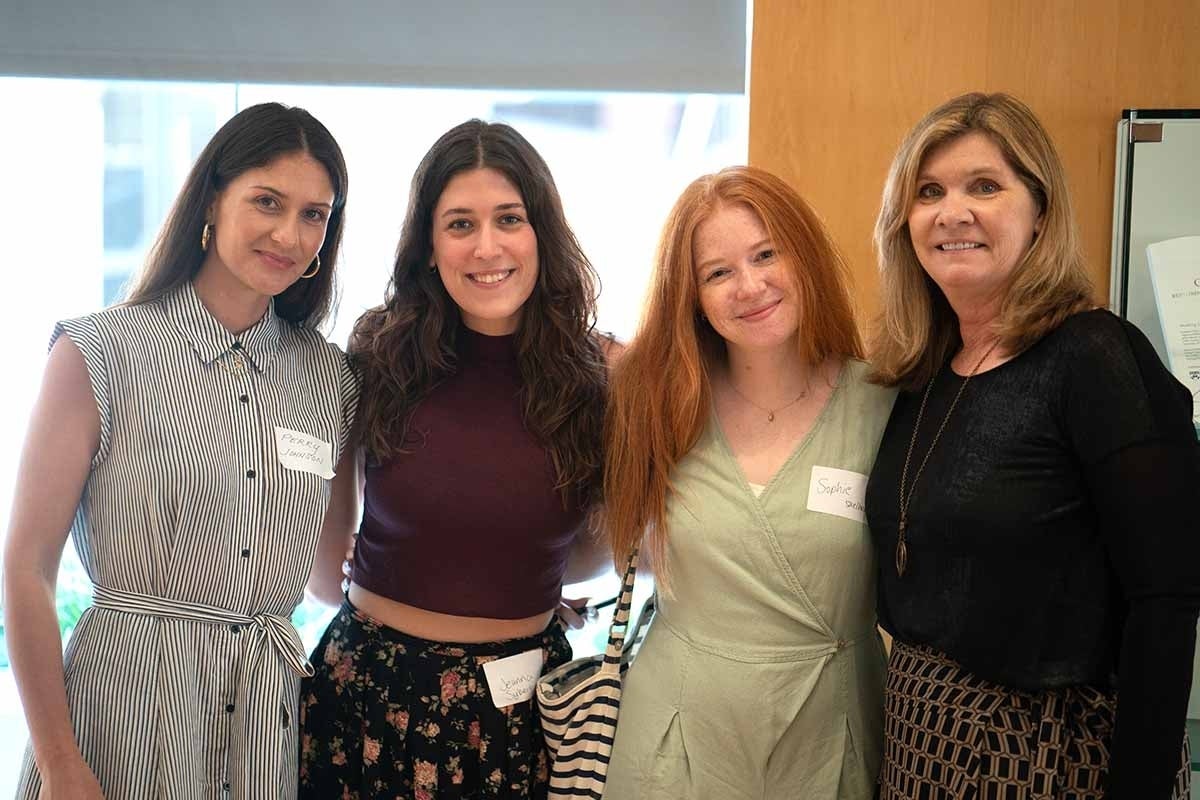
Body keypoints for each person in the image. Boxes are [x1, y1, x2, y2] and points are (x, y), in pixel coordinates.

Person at [3, 102, 357, 799]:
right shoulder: (100, 350)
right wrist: (60, 763)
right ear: (213, 198)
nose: (290, 233)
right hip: (115, 722)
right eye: (267, 201)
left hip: (264, 731)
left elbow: (330, 574)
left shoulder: (331, 377)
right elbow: (25, 568)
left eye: (315, 214)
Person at [865, 92, 1200, 799]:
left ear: (1040, 209)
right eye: (929, 191)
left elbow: (1167, 596)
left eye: (984, 185)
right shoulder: (922, 371)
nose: (952, 211)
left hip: (1048, 752)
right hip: (920, 738)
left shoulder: (1093, 357)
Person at [298, 119, 614, 799]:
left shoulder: (599, 373)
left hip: (519, 712)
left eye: (509, 218)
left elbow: (593, 549)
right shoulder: (379, 350)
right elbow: (330, 532)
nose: (488, 246)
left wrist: (509, 562)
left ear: (542, 235)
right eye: (460, 224)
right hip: (366, 696)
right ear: (429, 246)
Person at [602, 166, 896, 798]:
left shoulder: (885, 405)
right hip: (677, 734)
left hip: (830, 733)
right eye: (718, 272)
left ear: (806, 257)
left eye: (767, 254)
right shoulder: (658, 403)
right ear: (693, 295)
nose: (750, 286)